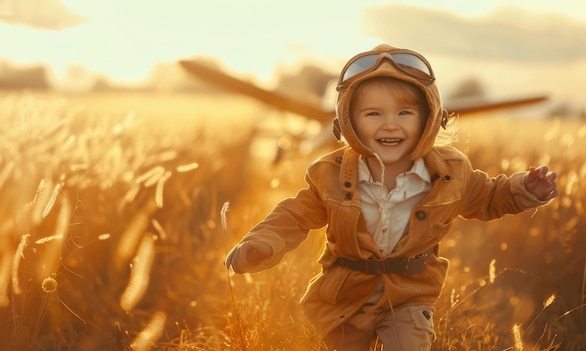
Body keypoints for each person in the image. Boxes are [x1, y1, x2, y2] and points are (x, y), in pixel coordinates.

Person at [224, 43, 558, 350]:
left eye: (404, 113)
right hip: (344, 296)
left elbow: (488, 197)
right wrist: (262, 243)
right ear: (348, 122)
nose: (389, 125)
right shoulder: (329, 173)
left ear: (430, 118)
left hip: (410, 296)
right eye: (373, 114)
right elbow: (294, 216)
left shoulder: (451, 171)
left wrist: (525, 190)